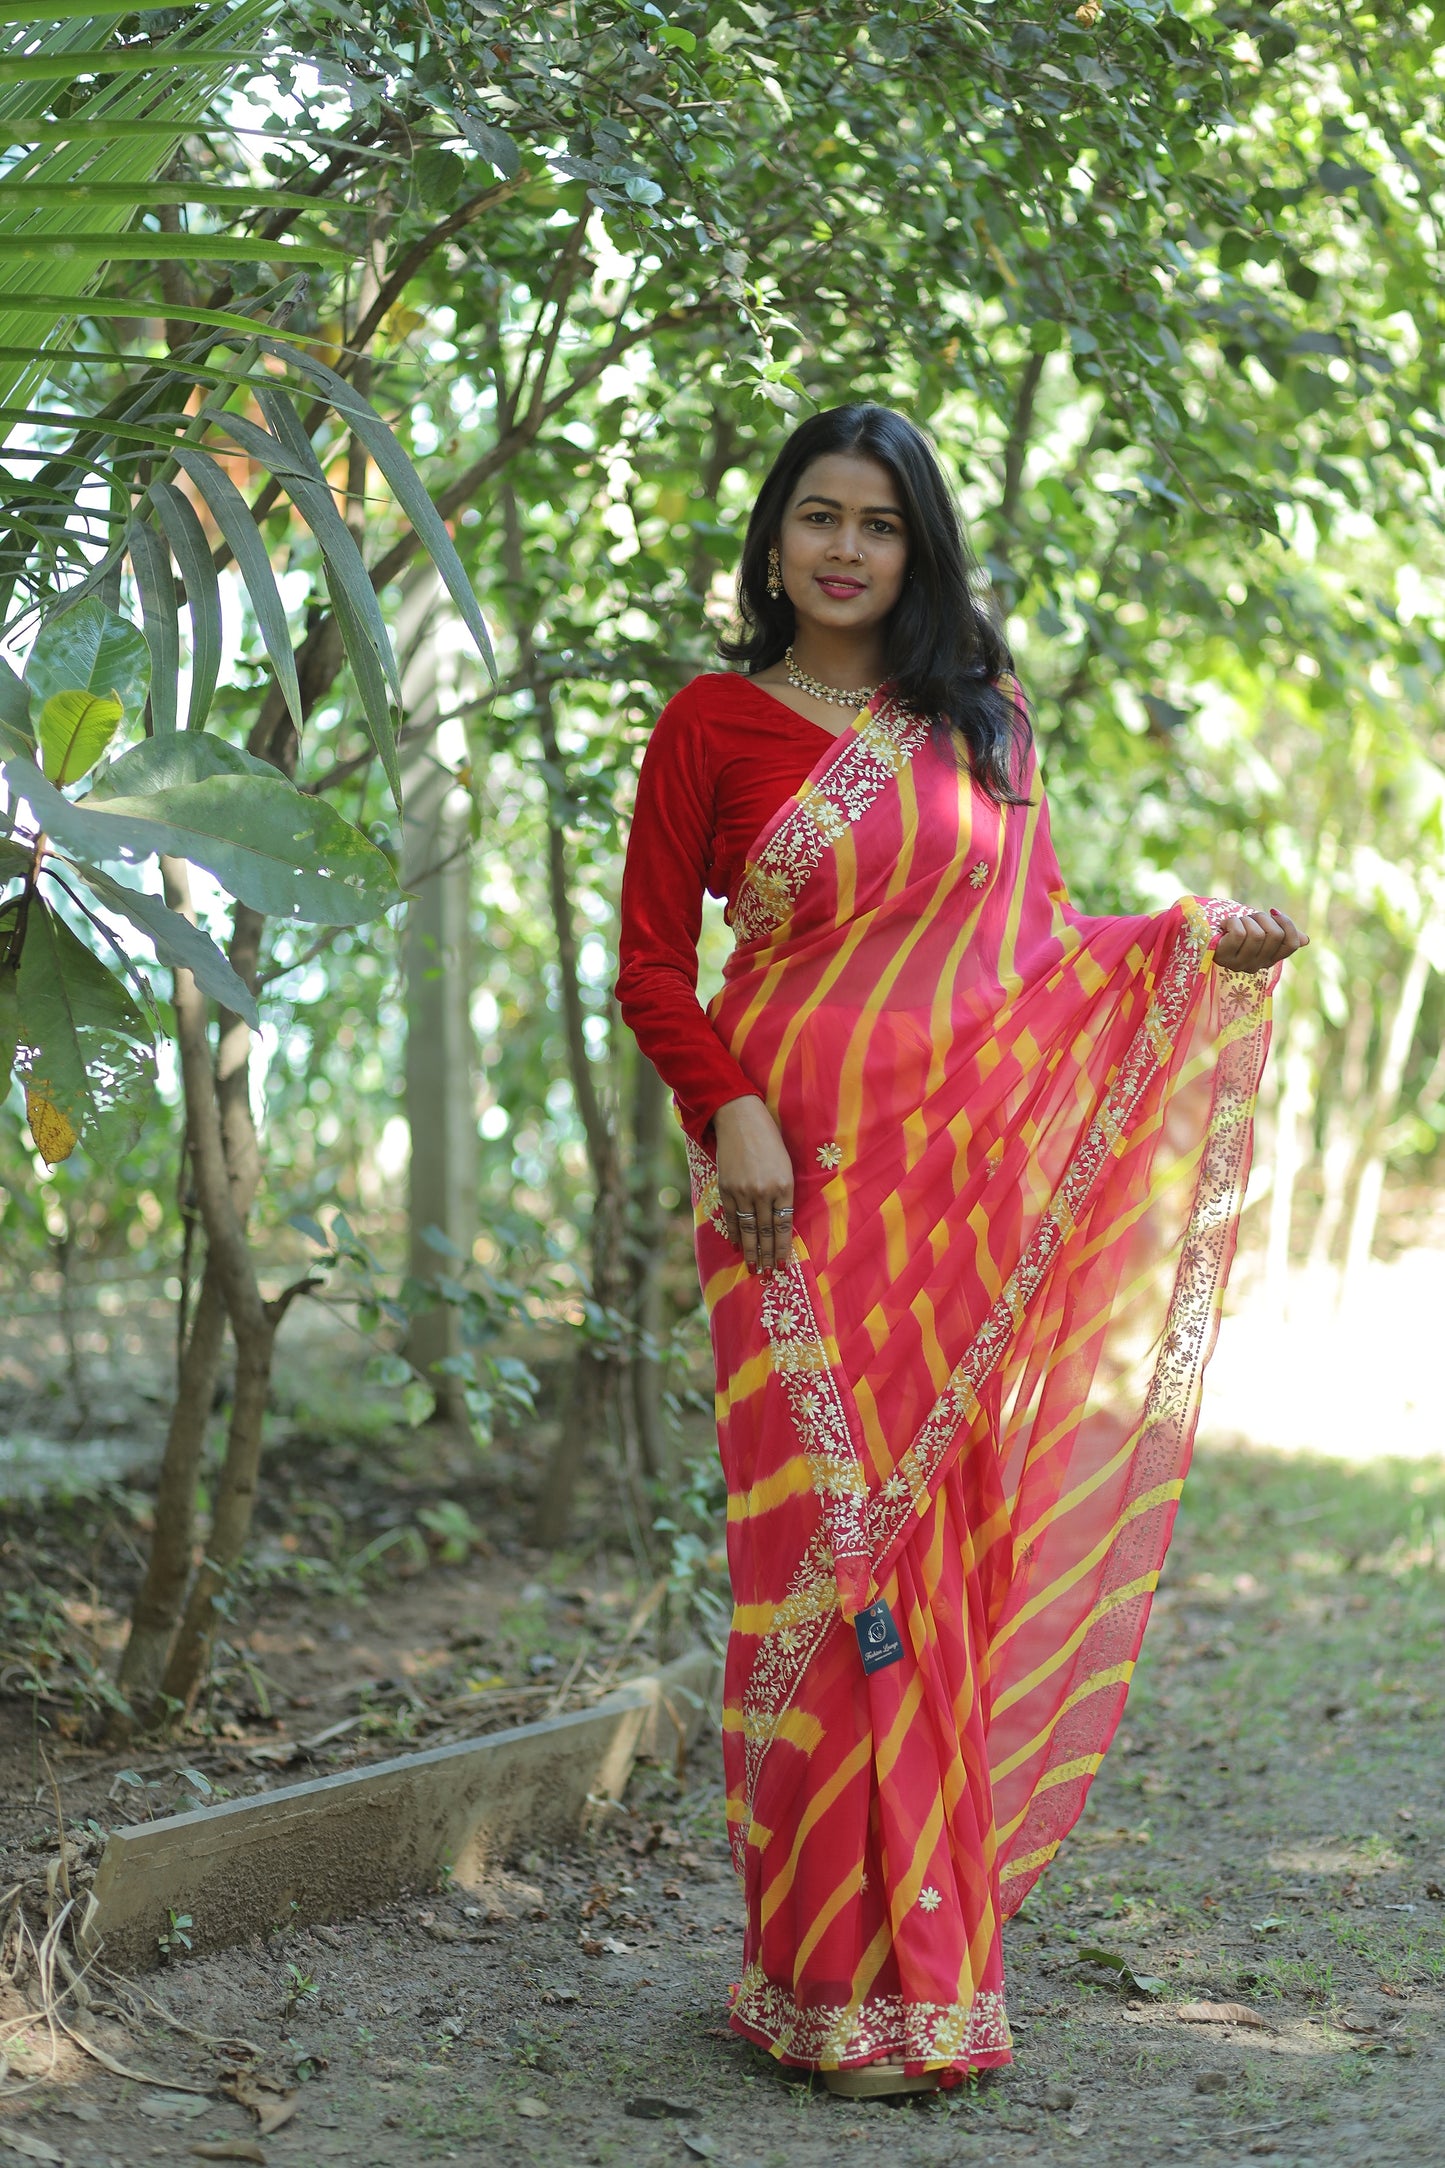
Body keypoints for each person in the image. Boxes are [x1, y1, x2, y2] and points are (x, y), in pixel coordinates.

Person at [615, 404, 1305, 2099]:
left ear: (917, 548)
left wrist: (1185, 940)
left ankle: (922, 1982)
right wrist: (733, 1114)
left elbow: (1039, 955)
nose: (843, 549)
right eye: (814, 518)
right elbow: (645, 966)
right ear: (771, 541)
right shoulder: (712, 723)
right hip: (789, 1206)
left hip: (949, 1218)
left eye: (878, 525)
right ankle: (815, 1974)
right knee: (828, 1557)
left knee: (932, 1556)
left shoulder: (979, 723)